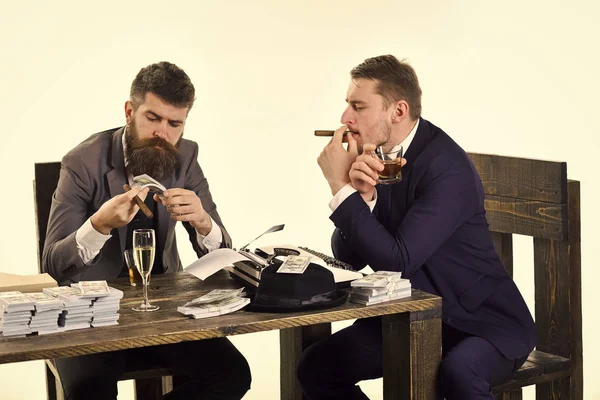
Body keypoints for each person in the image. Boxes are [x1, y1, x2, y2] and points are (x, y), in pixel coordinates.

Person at [299, 54, 536, 399]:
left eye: (358, 106)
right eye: (347, 105)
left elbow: (397, 260)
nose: (345, 118)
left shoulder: (446, 167)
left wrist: (340, 188)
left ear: (397, 111)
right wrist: (361, 198)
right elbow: (348, 256)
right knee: (316, 367)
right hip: (413, 314)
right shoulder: (378, 153)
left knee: (458, 373)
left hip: (481, 323)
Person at [43, 61, 251, 400]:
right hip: (94, 315)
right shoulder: (82, 161)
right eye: (152, 118)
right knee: (88, 390)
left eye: (174, 124)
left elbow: (224, 253)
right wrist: (99, 225)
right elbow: (53, 263)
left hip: (165, 311)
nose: (162, 133)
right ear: (130, 111)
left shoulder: (185, 156)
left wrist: (203, 222)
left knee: (232, 375)